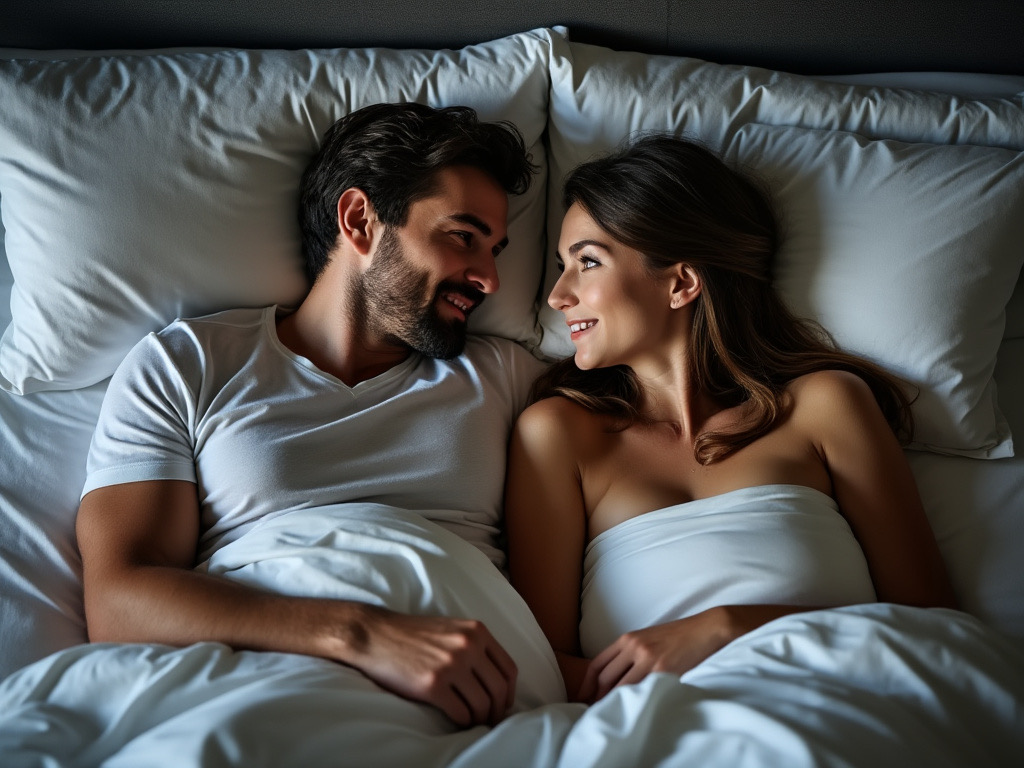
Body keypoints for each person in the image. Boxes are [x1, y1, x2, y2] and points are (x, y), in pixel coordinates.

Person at [76, 102, 546, 729]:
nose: (489, 278)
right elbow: (118, 603)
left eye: (496, 249)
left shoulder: (506, 380)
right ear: (359, 220)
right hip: (259, 687)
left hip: (468, 702)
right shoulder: (188, 362)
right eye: (463, 236)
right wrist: (360, 634)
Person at [504, 134, 958, 703]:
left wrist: (728, 628)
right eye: (562, 266)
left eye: (587, 261)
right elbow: (542, 667)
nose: (557, 296)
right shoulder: (558, 436)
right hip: (657, 730)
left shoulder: (825, 407)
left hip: (845, 706)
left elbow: (936, 623)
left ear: (681, 282)